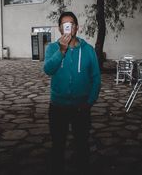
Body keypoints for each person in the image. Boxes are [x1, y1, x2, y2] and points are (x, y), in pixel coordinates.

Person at [44, 11, 101, 175]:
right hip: (57, 107)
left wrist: (89, 102)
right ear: (60, 28)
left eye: (71, 24)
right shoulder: (52, 48)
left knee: (82, 146)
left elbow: (96, 78)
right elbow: (48, 69)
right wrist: (61, 51)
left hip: (81, 107)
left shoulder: (88, 50)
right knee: (58, 146)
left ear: (76, 27)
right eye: (64, 25)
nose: (68, 28)